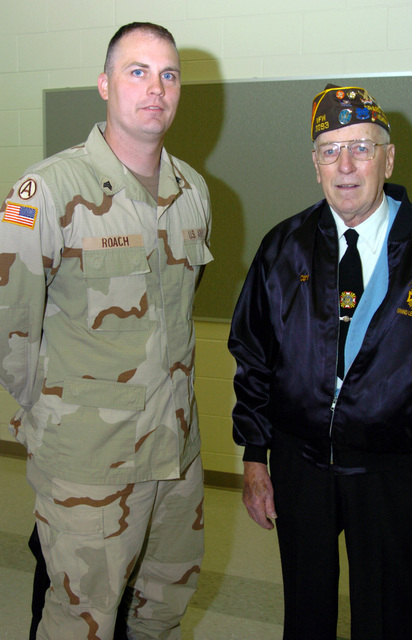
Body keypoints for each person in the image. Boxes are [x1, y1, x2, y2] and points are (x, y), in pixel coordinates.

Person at [0, 21, 212, 640]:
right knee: (81, 618)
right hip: (90, 462)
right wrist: (51, 413)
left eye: (169, 74)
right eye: (137, 71)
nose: (156, 88)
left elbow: (174, 309)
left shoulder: (192, 191)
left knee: (164, 609)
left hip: (176, 450)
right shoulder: (45, 192)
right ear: (104, 84)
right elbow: (9, 326)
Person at [228, 83, 412, 640]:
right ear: (314, 165)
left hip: (392, 468)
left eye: (361, 147)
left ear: (389, 157)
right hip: (301, 464)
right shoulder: (282, 247)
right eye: (330, 150)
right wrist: (255, 456)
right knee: (306, 616)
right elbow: (254, 358)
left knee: (386, 618)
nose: (346, 164)